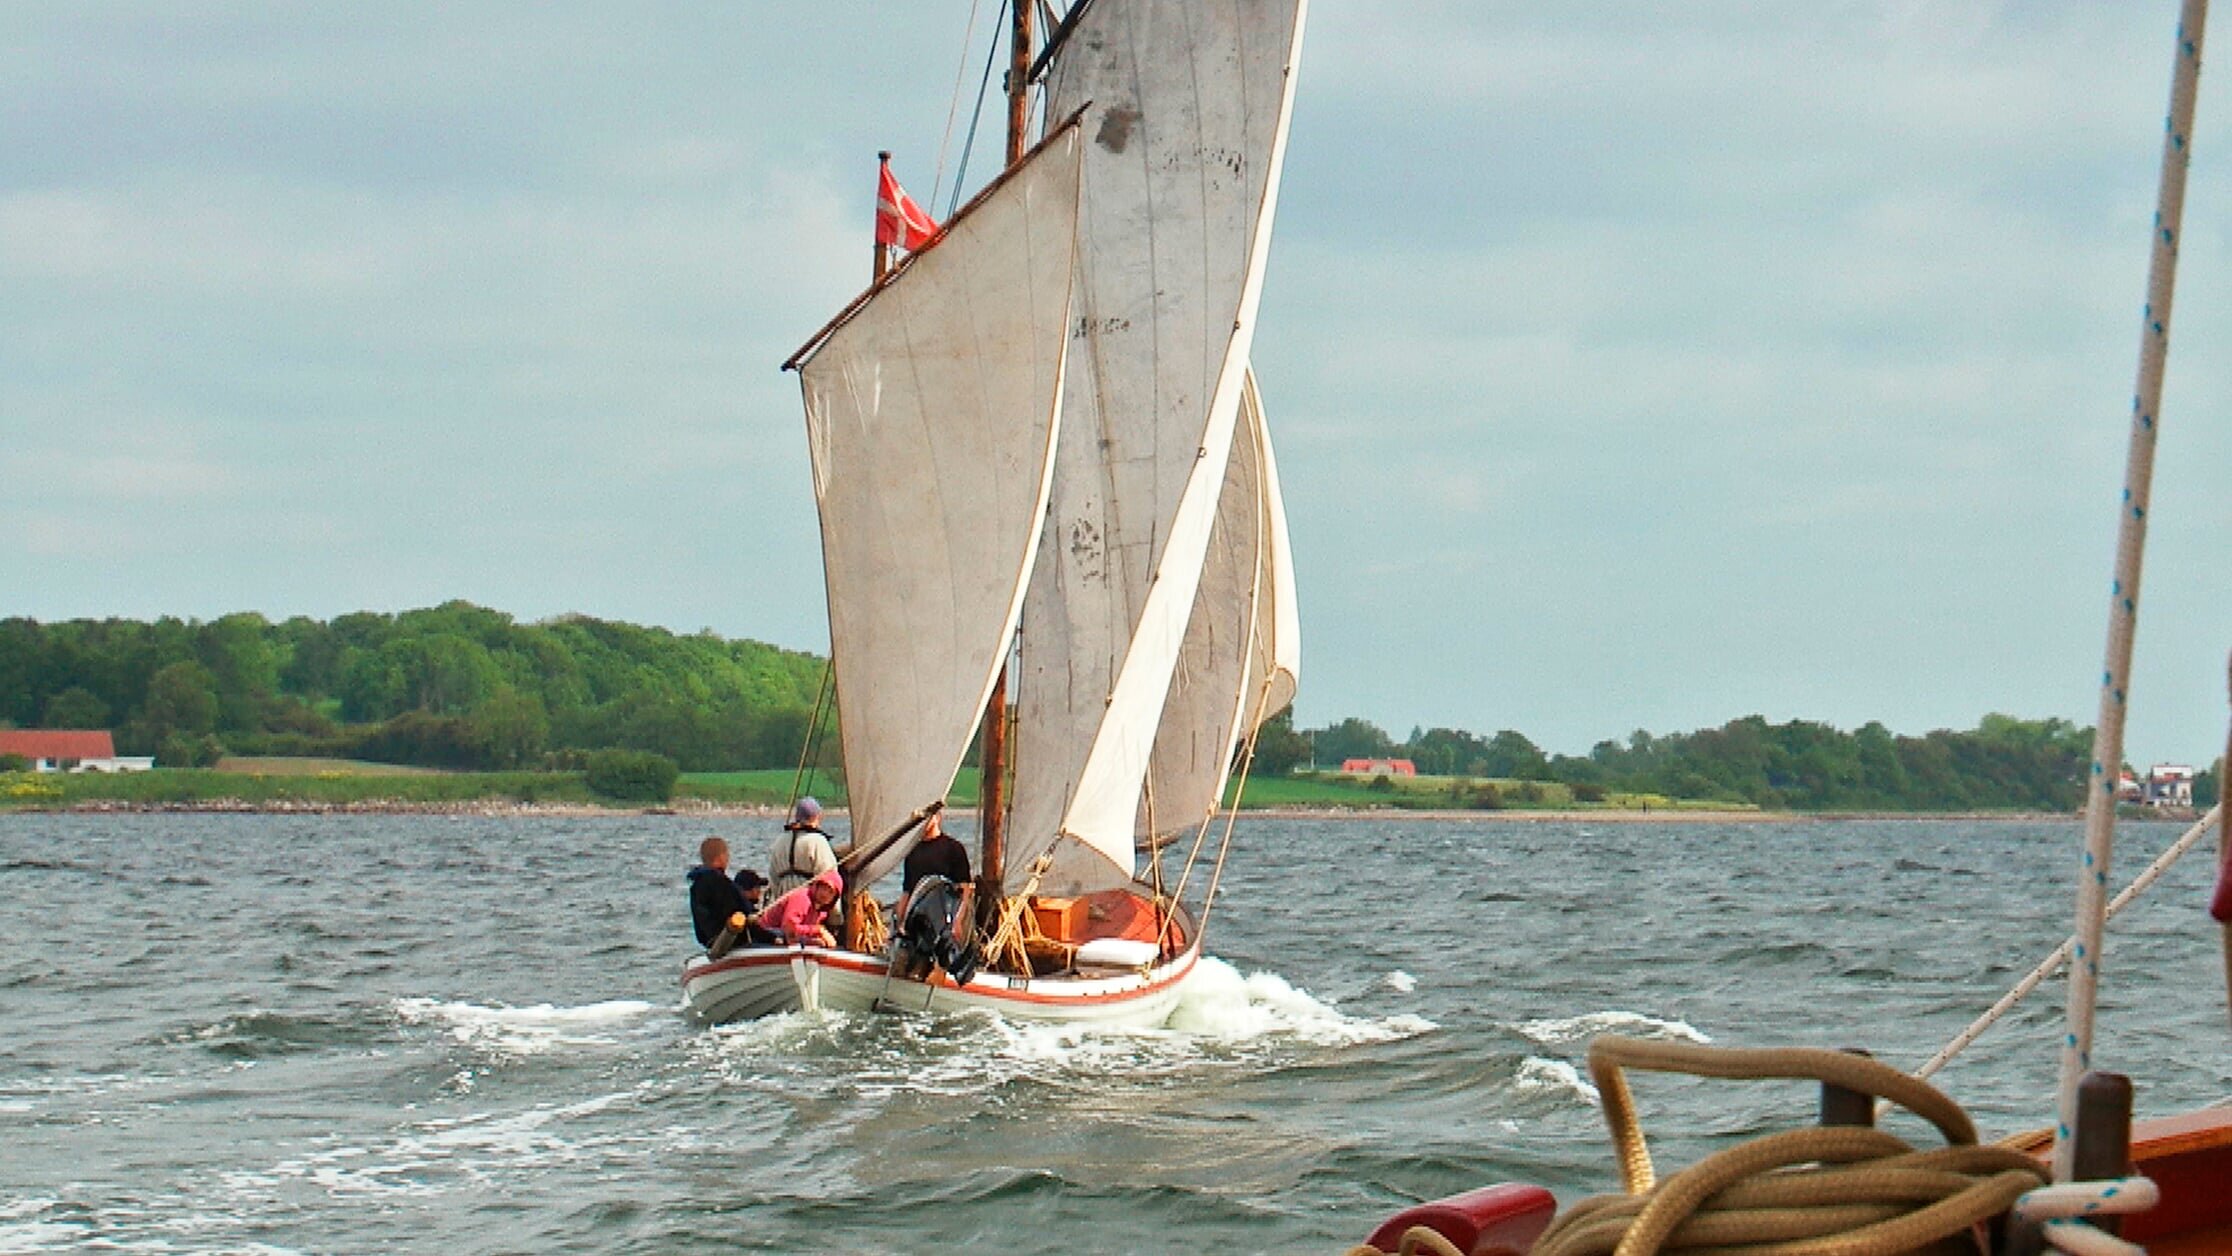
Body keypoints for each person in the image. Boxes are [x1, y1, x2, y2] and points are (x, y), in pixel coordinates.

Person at [896, 811, 972, 922]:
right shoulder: (912, 851)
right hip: (918, 919)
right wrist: (899, 922)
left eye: (928, 817)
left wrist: (959, 920)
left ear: (937, 818)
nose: (924, 822)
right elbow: (907, 891)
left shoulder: (953, 848)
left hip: (945, 918)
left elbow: (965, 889)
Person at [768, 796, 839, 900]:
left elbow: (773, 879)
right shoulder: (818, 841)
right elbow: (830, 879)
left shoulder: (780, 841)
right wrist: (836, 914)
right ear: (816, 816)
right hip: (808, 903)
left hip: (783, 901)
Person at [687, 837, 752, 949]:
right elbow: (738, 910)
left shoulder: (696, 884)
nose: (728, 859)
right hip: (730, 940)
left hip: (709, 941)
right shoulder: (720, 883)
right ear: (721, 857)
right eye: (727, 855)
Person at [758, 868, 843, 948]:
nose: (825, 894)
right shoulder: (802, 898)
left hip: (788, 937)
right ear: (817, 886)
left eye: (830, 892)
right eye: (823, 888)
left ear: (834, 898)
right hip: (766, 936)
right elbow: (789, 930)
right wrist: (818, 930)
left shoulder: (822, 911)